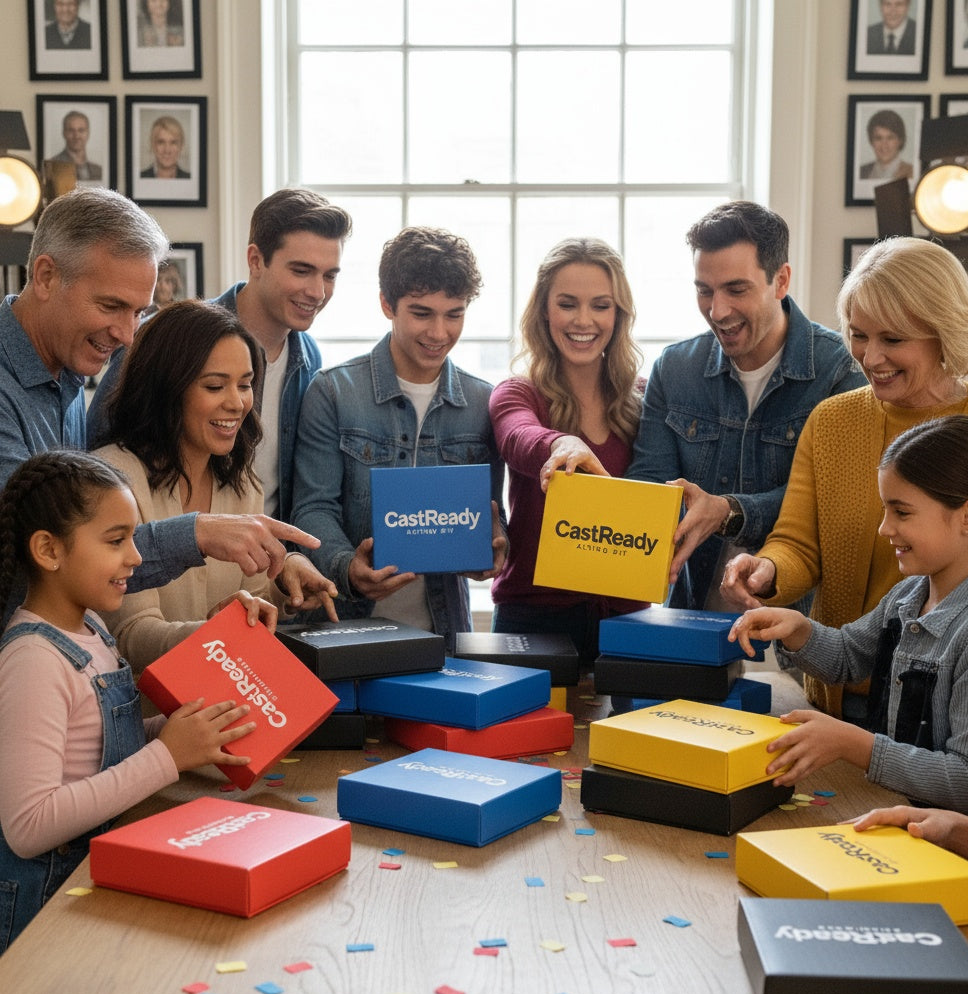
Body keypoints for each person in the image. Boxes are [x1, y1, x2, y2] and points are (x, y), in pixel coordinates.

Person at [720, 236, 968, 722]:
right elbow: (798, 541)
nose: (870, 356)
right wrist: (768, 570)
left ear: (942, 332)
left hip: (944, 712)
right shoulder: (832, 422)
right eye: (859, 334)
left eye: (893, 339)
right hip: (835, 692)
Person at [730, 415, 968, 907]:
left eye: (901, 512)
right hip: (905, 850)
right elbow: (849, 656)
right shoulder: (910, 593)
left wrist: (854, 743)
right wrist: (800, 630)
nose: (885, 527)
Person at [0, 187, 324, 624]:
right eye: (111, 306)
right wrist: (195, 534)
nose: (127, 335)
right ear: (44, 276)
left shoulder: (67, 374)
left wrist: (279, 567)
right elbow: (38, 550)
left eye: (138, 312)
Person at [0, 450, 262, 953]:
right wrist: (166, 757)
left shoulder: (92, 629)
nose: (137, 558)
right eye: (117, 541)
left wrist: (169, 731)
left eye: (135, 539)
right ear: (48, 550)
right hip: (43, 914)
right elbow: (28, 826)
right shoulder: (34, 658)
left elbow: (94, 748)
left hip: (92, 888)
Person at [626, 201, 864, 612]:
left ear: (781, 280)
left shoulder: (841, 372)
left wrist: (729, 511)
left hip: (804, 624)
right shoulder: (674, 369)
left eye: (736, 289)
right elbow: (649, 485)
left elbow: (833, 501)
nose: (717, 311)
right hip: (694, 618)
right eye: (704, 290)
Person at [94, 301, 337, 675]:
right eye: (214, 385)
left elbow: (253, 596)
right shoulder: (113, 478)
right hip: (145, 725)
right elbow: (130, 635)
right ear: (166, 389)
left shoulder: (241, 482)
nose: (237, 403)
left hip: (223, 712)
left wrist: (285, 584)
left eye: (245, 385)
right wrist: (217, 635)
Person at [291, 226, 508, 647]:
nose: (439, 333)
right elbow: (312, 508)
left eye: (455, 314)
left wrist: (495, 546)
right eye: (422, 313)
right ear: (387, 304)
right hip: (345, 628)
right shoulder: (333, 391)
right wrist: (345, 565)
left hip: (444, 633)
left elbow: (491, 513)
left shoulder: (484, 402)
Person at [88, 187, 352, 522]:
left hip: (258, 561)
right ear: (255, 260)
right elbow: (99, 458)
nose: (317, 292)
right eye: (301, 271)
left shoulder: (308, 357)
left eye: (329, 275)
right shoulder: (164, 337)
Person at [489, 238, 647, 670]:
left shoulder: (645, 401)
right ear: (544, 310)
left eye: (601, 305)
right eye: (567, 304)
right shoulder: (516, 392)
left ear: (619, 314)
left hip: (628, 619)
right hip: (533, 618)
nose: (584, 320)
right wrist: (560, 443)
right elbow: (517, 437)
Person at [48, 110, 102, 183]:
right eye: (71, 130)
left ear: (88, 133)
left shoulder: (97, 169)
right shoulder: (53, 166)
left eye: (81, 130)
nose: (76, 136)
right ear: (64, 133)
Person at [859, 109, 913, 181]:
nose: (884, 145)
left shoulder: (911, 172)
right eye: (878, 138)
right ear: (871, 141)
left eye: (890, 138)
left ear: (900, 140)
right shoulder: (861, 172)